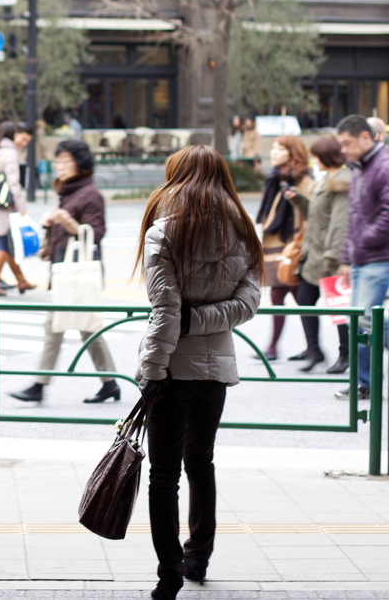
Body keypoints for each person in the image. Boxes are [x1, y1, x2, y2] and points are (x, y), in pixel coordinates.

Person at [135, 146, 263, 599]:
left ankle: (168, 570)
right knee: (201, 463)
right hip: (215, 374)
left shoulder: (163, 231)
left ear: (176, 178)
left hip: (171, 371)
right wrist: (203, 321)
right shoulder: (243, 233)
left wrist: (151, 369)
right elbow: (247, 305)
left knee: (163, 474)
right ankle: (198, 557)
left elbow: (165, 311)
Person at [9, 139, 118, 405]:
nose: (59, 166)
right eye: (57, 161)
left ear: (80, 164)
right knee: (87, 328)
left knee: (57, 326)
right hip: (67, 271)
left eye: (65, 161)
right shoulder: (69, 193)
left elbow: (96, 234)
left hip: (78, 273)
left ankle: (39, 384)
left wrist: (68, 222)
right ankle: (110, 383)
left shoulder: (89, 194)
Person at [284, 136, 352, 373]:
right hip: (314, 255)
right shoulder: (326, 180)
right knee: (305, 300)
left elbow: (339, 224)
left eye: (316, 155)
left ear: (326, 156)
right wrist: (299, 200)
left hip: (330, 257)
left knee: (338, 307)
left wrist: (333, 256)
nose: (314, 159)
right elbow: (317, 217)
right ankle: (315, 350)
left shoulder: (342, 182)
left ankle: (346, 354)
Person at [334, 115, 389, 401]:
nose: (343, 149)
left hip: (379, 257)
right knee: (363, 322)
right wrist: (347, 256)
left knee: (364, 322)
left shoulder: (383, 165)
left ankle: (366, 385)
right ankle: (365, 383)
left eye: (347, 143)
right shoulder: (360, 167)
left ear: (366, 138)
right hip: (363, 258)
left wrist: (359, 244)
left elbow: (387, 216)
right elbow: (353, 217)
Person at [254, 135, 312, 359]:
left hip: (292, 245)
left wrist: (299, 242)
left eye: (281, 149)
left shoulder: (302, 179)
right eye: (274, 148)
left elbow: (307, 214)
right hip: (276, 244)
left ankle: (301, 348)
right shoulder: (275, 178)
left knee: (295, 296)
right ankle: (303, 347)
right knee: (286, 295)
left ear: (293, 153)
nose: (274, 152)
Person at [0, 121, 34, 297]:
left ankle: (21, 280)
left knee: (8, 244)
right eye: (23, 139)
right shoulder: (10, 153)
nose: (24, 143)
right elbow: (14, 183)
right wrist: (21, 206)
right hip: (1, 206)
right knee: (4, 245)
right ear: (15, 134)